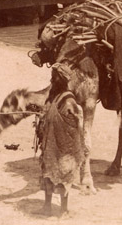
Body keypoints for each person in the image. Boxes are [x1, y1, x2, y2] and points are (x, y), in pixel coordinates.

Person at [37, 65, 86, 219]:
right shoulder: (55, 96)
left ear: (62, 80)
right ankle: (46, 206)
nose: (52, 79)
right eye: (52, 76)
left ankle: (64, 210)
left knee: (64, 175)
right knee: (48, 173)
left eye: (55, 77)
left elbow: (74, 124)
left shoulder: (68, 100)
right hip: (50, 144)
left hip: (65, 147)